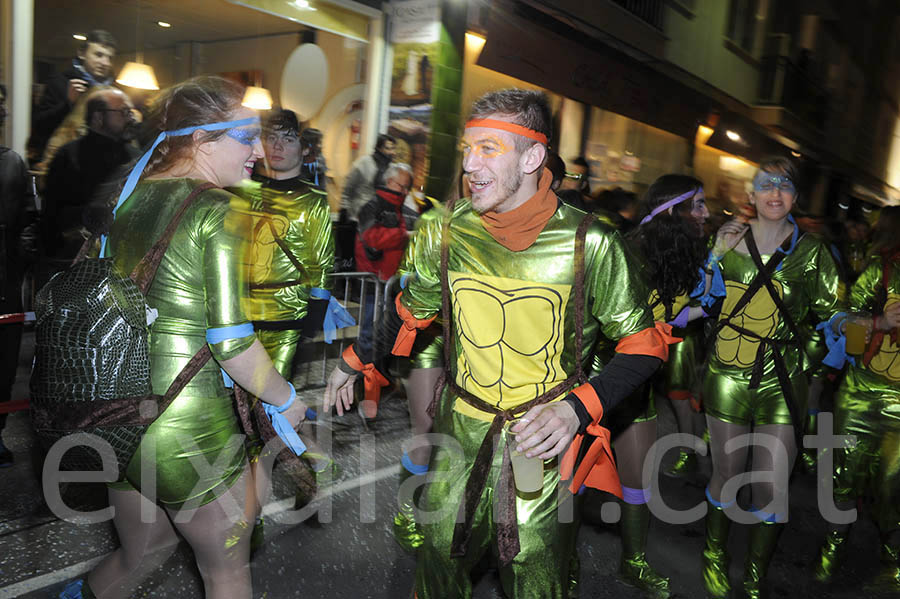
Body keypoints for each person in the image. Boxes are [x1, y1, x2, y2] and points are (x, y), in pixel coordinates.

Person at [323, 88, 673, 598]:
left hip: (540, 442)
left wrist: (578, 409)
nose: (471, 163)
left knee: (534, 570)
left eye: (490, 148)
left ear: (533, 156)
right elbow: (408, 311)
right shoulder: (445, 231)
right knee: (438, 559)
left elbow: (644, 346)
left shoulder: (589, 242)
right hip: (459, 433)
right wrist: (353, 360)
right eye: (468, 148)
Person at [60, 76, 308, 599]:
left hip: (116, 415)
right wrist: (288, 400)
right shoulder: (216, 209)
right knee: (226, 571)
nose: (260, 151)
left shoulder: (128, 199)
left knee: (143, 550)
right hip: (185, 425)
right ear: (201, 140)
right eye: (245, 137)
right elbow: (232, 343)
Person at [700, 157, 845, 599]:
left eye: (784, 187)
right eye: (766, 185)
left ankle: (757, 573)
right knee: (727, 471)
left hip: (783, 378)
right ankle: (713, 554)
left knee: (771, 485)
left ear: (795, 198)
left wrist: (833, 340)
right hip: (727, 371)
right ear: (751, 195)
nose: (775, 193)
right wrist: (714, 258)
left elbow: (833, 312)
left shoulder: (812, 251)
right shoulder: (726, 239)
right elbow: (702, 301)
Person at [611, 174, 719, 597]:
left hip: (637, 384)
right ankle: (560, 556)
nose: (706, 214)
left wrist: (716, 260)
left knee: (638, 478)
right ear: (673, 210)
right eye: (699, 206)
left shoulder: (678, 255)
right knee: (573, 479)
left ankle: (633, 562)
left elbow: (674, 317)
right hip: (598, 382)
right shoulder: (626, 252)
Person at [814, 206, 900, 591]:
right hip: (862, 389)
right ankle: (833, 545)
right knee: (843, 477)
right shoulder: (883, 269)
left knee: (890, 486)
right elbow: (842, 317)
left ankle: (893, 560)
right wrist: (879, 322)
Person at [42, 88, 138, 265]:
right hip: (76, 260)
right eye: (124, 112)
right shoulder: (69, 156)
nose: (131, 118)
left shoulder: (135, 157)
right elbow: (52, 218)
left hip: (125, 257)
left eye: (131, 112)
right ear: (98, 117)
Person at [0, 83, 37, 467]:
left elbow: (29, 217)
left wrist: (21, 254)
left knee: (4, 366)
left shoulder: (12, 162)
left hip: (5, 283)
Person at [31, 30, 117, 163]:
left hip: (98, 163)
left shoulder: (114, 92)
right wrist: (68, 103)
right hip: (61, 164)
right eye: (98, 55)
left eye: (109, 58)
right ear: (81, 54)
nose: (105, 62)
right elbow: (40, 128)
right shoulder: (60, 82)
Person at [340, 133, 397, 223]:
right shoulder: (363, 164)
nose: (391, 153)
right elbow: (347, 191)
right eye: (387, 148)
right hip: (358, 218)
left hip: (380, 221)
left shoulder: (393, 169)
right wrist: (346, 215)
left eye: (393, 149)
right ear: (379, 148)